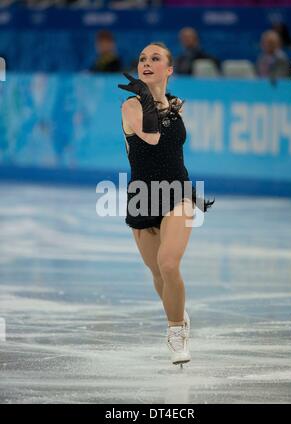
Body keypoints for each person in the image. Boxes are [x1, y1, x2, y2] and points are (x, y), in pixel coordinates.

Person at [118, 42, 215, 366]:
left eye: (155, 59)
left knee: (169, 263)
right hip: (142, 196)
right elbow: (151, 136)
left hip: (177, 193)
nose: (146, 63)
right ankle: (178, 312)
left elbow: (168, 143)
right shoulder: (131, 106)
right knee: (158, 271)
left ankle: (176, 332)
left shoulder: (175, 105)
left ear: (169, 69)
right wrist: (148, 98)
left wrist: (162, 101)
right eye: (142, 58)